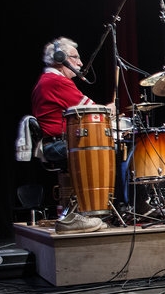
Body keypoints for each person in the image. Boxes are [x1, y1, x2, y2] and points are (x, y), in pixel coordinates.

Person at [31, 37, 114, 233]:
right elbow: (92, 111)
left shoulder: (47, 80)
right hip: (57, 145)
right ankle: (85, 214)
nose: (81, 63)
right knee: (111, 149)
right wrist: (111, 109)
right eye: (75, 57)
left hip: (55, 143)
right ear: (60, 58)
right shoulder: (56, 81)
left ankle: (86, 212)